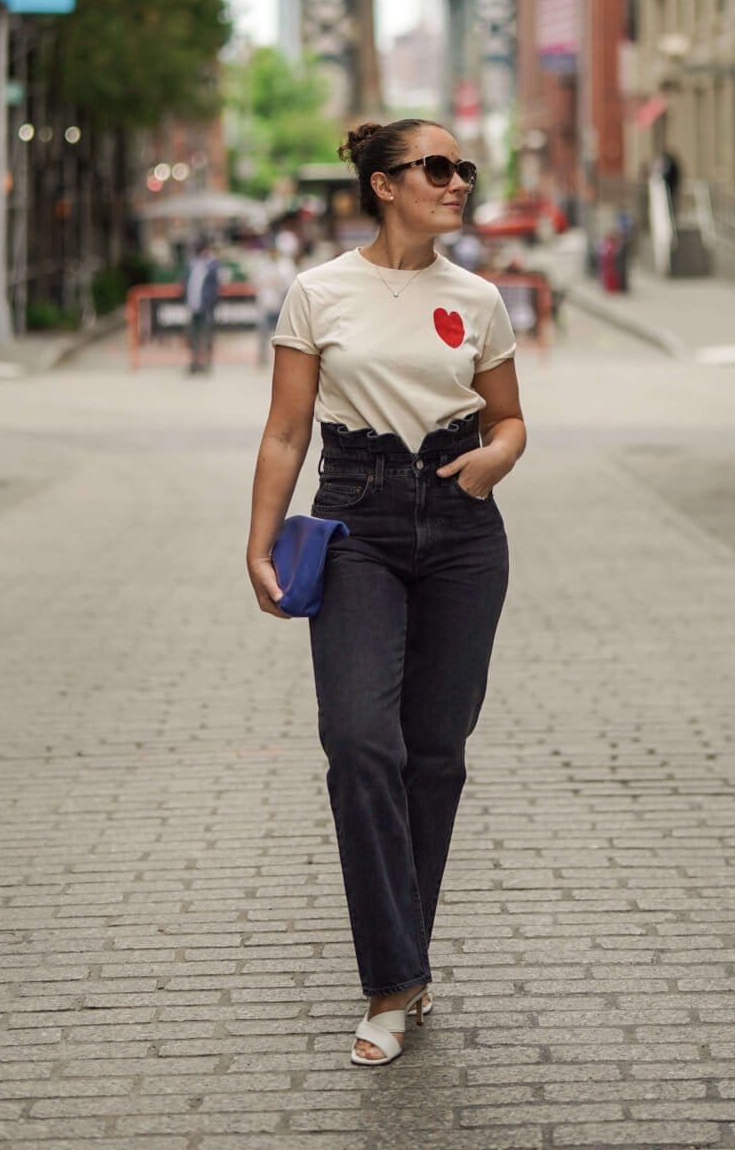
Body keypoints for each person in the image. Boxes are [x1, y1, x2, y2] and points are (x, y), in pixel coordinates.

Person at [246, 120, 527, 1067]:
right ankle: (395, 975)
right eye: (436, 168)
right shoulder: (320, 291)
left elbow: (512, 419)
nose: (456, 183)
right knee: (361, 742)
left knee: (435, 755)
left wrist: (491, 462)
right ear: (382, 183)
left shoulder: (478, 297)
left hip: (459, 524)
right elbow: (287, 431)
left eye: (462, 170)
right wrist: (259, 545)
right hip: (356, 517)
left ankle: (399, 973)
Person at [251, 232, 298, 367]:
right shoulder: (263, 263)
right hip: (265, 304)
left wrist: (278, 282)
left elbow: (290, 284)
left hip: (281, 305)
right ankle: (262, 358)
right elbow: (257, 281)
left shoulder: (285, 264)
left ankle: (286, 360)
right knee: (263, 333)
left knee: (284, 336)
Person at [183, 235, 220, 374]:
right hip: (193, 306)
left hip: (206, 307)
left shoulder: (211, 265)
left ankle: (206, 363)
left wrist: (210, 302)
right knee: (193, 336)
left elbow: (215, 287)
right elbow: (186, 282)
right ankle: (194, 363)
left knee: (206, 335)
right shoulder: (192, 264)